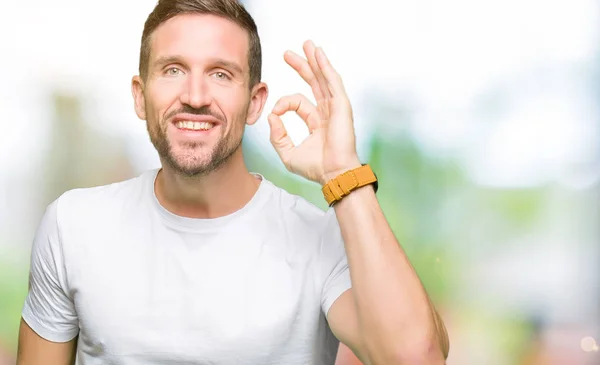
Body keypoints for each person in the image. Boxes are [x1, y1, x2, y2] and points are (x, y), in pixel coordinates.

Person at [16, 0, 449, 364]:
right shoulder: (73, 225)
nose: (196, 96)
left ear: (255, 101)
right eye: (173, 70)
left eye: (221, 74)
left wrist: (343, 173)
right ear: (139, 96)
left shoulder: (317, 237)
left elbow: (416, 357)